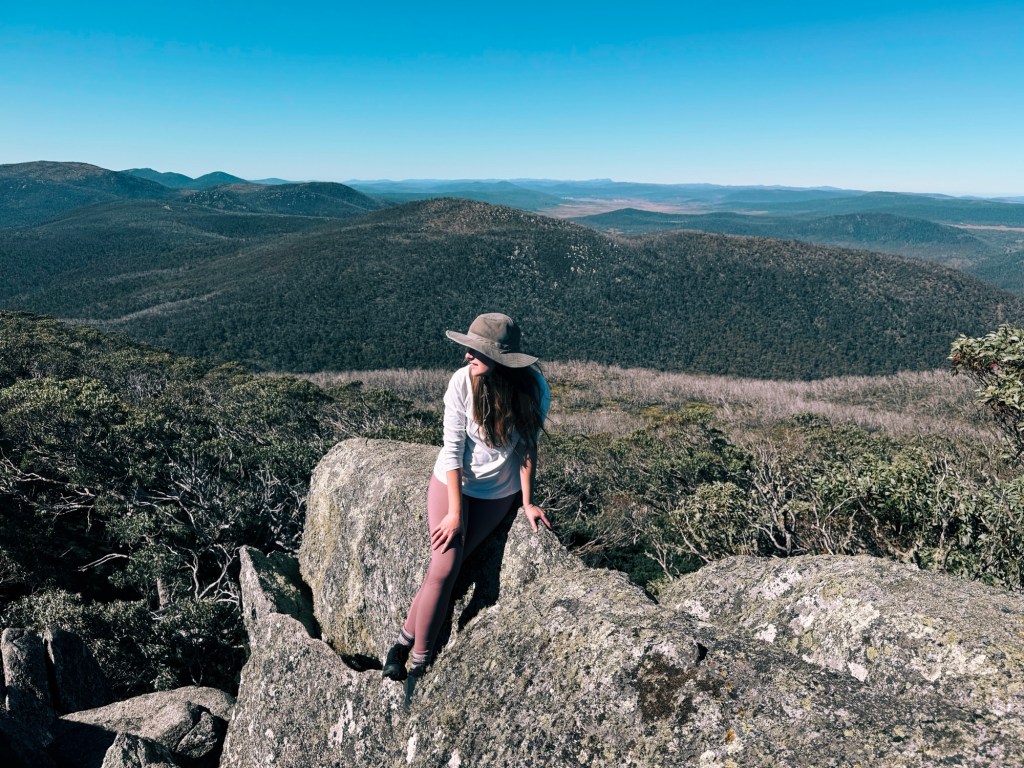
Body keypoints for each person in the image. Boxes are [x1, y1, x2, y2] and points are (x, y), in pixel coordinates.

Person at [382, 313, 551, 685]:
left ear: (502, 361)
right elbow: (453, 449)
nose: (466, 357)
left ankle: (401, 643)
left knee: (449, 568)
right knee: (444, 567)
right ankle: (419, 663)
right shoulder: (461, 384)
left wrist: (527, 502)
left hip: (497, 495)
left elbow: (526, 447)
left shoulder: (535, 389)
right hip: (451, 485)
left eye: (476, 352)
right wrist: (455, 513)